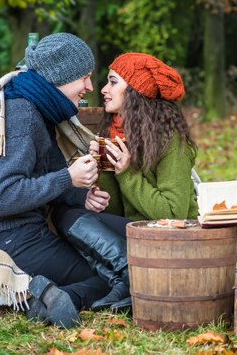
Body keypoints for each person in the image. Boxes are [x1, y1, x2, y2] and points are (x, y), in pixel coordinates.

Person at [0, 33, 121, 328]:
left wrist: (80, 196)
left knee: (98, 271)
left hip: (25, 231)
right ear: (61, 77)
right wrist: (68, 177)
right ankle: (41, 300)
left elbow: (44, 176)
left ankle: (47, 294)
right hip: (13, 237)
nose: (90, 87)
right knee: (102, 280)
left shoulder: (37, 107)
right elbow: (4, 197)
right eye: (85, 78)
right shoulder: (23, 115)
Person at [52, 52, 198, 312]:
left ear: (136, 91)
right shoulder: (117, 134)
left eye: (113, 82)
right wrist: (102, 174)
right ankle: (114, 281)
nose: (103, 89)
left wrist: (127, 173)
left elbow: (173, 214)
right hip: (138, 234)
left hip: (174, 239)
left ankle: (122, 277)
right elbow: (116, 212)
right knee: (68, 213)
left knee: (71, 218)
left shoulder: (170, 141)